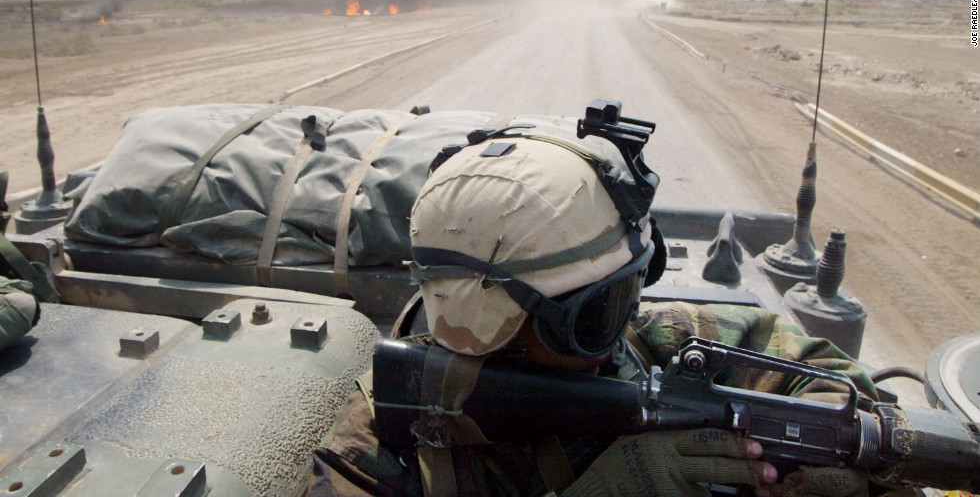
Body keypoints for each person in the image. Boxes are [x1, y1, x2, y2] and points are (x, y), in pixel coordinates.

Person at [308, 130, 881, 497]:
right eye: (597, 312)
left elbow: (826, 377)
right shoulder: (378, 447)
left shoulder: (654, 341)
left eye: (634, 284)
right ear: (491, 324)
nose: (630, 316)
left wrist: (818, 450)